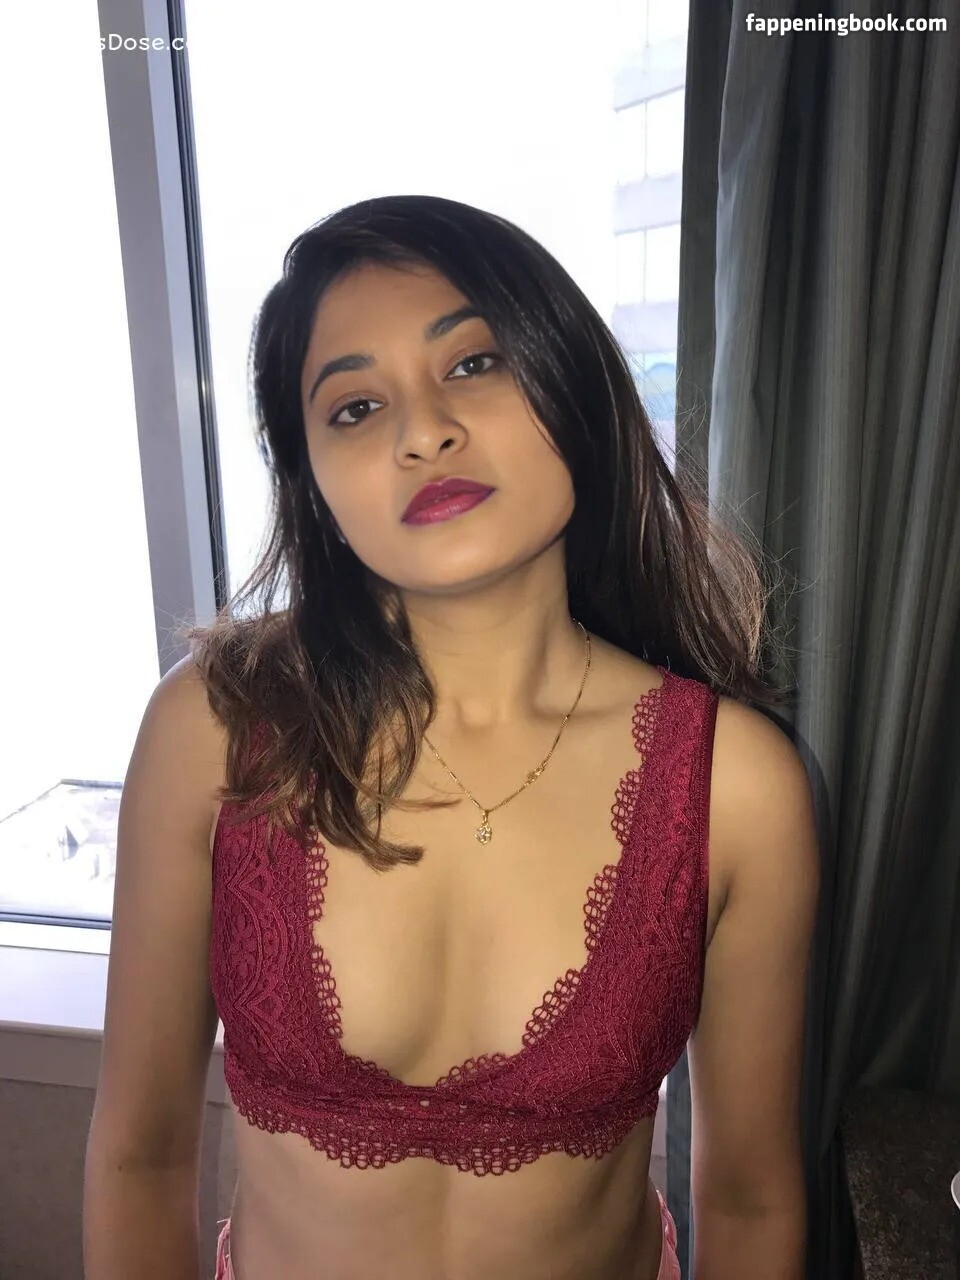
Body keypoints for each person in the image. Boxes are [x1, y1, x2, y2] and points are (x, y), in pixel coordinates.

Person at [82, 195, 820, 1280]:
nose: (423, 432)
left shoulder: (735, 786)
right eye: (355, 407)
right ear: (313, 483)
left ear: (574, 383)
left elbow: (751, 1197)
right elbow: (140, 1158)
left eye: (473, 363)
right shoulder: (215, 729)